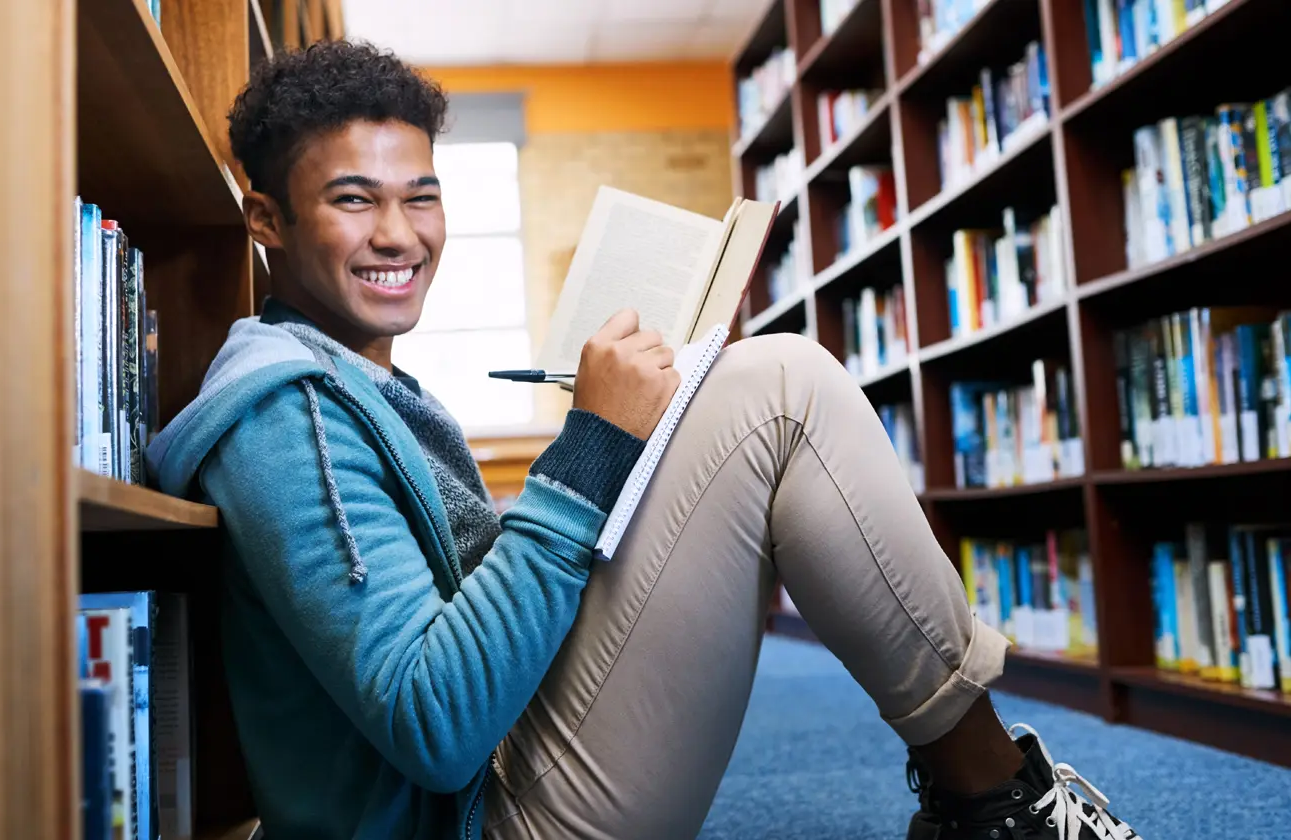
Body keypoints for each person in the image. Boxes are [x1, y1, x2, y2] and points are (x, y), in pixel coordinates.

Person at [145, 40, 1144, 840]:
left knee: (755, 392)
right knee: (779, 386)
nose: (400, 234)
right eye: (353, 199)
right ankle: (1003, 812)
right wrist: (589, 450)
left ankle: (987, 800)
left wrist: (630, 452)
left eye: (422, 195)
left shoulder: (349, 378)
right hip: (476, 812)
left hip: (502, 761)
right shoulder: (289, 421)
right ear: (265, 220)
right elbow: (435, 723)